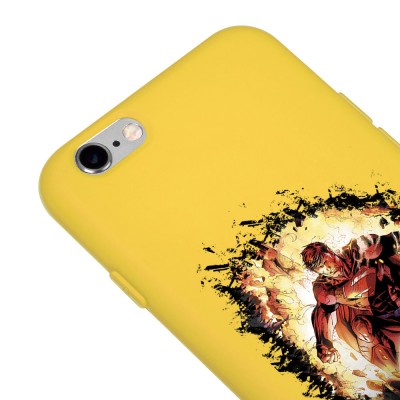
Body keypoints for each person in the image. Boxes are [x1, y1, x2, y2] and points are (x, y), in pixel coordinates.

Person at [301, 232, 400, 372]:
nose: (326, 269)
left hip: (395, 291)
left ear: (328, 250)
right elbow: (323, 311)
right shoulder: (324, 287)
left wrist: (382, 245)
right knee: (362, 328)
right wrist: (324, 343)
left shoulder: (357, 250)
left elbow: (392, 241)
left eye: (324, 261)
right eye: (319, 268)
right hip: (384, 321)